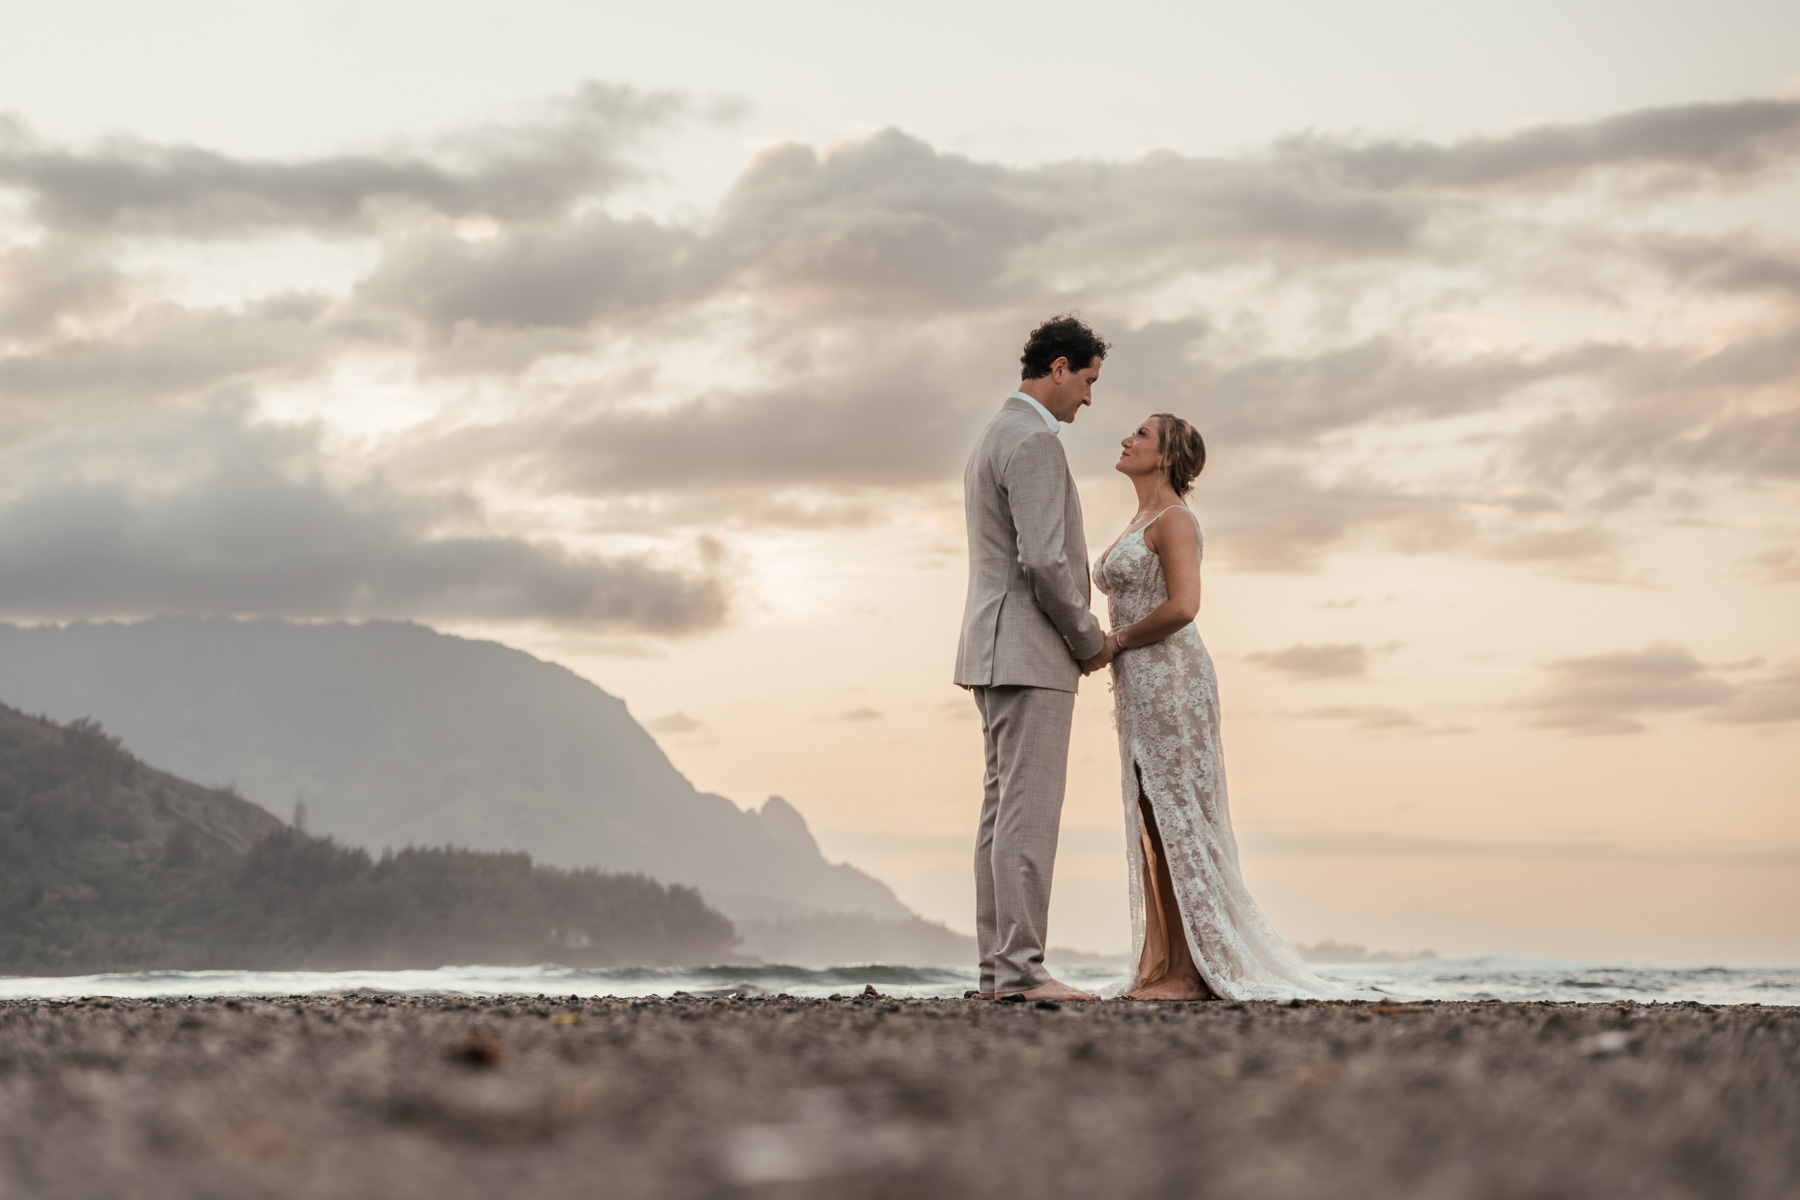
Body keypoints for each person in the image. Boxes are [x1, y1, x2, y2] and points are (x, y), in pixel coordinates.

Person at [1096, 413, 1355, 1001]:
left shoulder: (1176, 520)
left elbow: (1185, 606)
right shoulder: (1138, 519)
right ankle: (1164, 966)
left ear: (1166, 456)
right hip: (1139, 685)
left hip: (1172, 678)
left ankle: (1192, 972)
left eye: (1141, 435)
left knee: (1179, 816)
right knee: (1151, 818)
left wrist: (1116, 642)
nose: (1126, 439)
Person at [954, 315, 1112, 1002]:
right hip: (1029, 650)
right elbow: (1046, 559)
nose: (1088, 398)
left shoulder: (994, 433)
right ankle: (1021, 972)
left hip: (992, 649)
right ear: (1057, 368)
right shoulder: (1035, 444)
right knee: (1028, 812)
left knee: (1001, 812)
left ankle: (999, 970)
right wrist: (1088, 637)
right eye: (1087, 380)